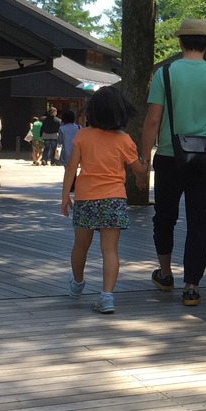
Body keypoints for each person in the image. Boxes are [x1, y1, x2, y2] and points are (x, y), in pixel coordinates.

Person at [140, 18, 206, 307]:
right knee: (200, 222)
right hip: (204, 158)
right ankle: (192, 287)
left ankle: (165, 274)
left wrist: (143, 160)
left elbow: (152, 120)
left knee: (165, 216)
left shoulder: (165, 73)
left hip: (169, 156)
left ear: (180, 42)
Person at [61, 87, 148, 315]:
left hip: (86, 198)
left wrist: (65, 196)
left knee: (81, 245)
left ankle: (77, 282)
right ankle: (107, 297)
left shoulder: (83, 135)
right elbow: (138, 170)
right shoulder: (124, 140)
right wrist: (144, 168)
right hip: (113, 199)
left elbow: (71, 168)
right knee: (110, 249)